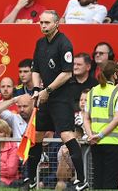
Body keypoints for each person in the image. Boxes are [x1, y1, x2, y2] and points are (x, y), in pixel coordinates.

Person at [24, 11, 86, 191]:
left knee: (66, 135)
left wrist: (48, 90)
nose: (43, 26)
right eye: (41, 23)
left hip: (61, 97)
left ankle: (82, 180)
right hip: (45, 96)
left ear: (57, 23)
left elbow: (67, 73)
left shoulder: (64, 44)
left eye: (47, 23)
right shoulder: (40, 43)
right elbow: (35, 70)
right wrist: (37, 90)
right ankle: (31, 179)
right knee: (37, 136)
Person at [82, 60, 118, 190]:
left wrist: (91, 136)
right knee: (110, 183)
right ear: (115, 74)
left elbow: (86, 118)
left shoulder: (92, 92)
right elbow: (117, 119)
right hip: (113, 143)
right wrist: (100, 135)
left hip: (95, 143)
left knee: (98, 181)